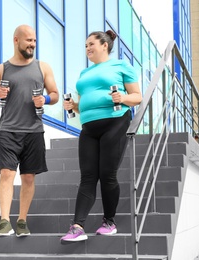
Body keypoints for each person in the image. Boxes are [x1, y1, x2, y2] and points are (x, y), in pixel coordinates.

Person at [60, 30, 142, 242]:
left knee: (107, 174)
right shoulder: (84, 74)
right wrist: (74, 106)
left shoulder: (121, 66)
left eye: (91, 44)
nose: (87, 48)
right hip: (88, 127)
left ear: (104, 45)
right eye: (85, 46)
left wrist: (122, 97)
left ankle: (109, 221)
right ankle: (77, 227)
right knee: (87, 176)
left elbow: (137, 97)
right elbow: (85, 103)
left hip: (115, 121)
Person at [0, 24, 59, 239]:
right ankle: (4, 221)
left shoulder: (43, 67)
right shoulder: (2, 69)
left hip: (34, 131)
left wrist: (44, 99)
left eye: (34, 41)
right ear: (16, 40)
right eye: (28, 40)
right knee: (7, 173)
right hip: (8, 130)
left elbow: (55, 94)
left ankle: (22, 220)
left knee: (28, 178)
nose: (32, 44)